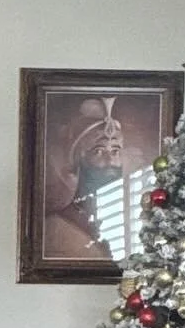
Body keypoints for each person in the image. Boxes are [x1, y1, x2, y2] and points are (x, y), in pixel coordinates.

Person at [44, 96, 129, 260]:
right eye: (98, 151)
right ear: (79, 160)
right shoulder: (54, 228)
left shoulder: (130, 225)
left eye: (115, 151)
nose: (110, 161)